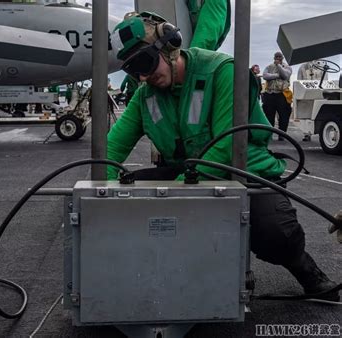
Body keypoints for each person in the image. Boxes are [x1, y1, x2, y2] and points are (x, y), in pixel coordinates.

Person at [107, 12, 339, 301]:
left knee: (276, 233)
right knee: (122, 197)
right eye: (132, 70)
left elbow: (228, 142)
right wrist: (97, 201)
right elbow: (111, 150)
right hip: (187, 175)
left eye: (145, 63)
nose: (142, 76)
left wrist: (174, 193)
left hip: (241, 172)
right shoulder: (146, 96)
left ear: (169, 46)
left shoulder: (223, 72)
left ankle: (307, 271)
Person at [262, 52, 293, 141]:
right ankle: (269, 134)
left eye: (280, 57)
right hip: (270, 94)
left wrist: (279, 66)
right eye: (276, 57)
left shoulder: (287, 67)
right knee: (269, 116)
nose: (278, 58)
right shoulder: (269, 66)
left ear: (282, 57)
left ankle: (282, 134)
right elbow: (265, 76)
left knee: (284, 115)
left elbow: (285, 75)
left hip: (282, 94)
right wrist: (276, 75)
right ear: (274, 57)